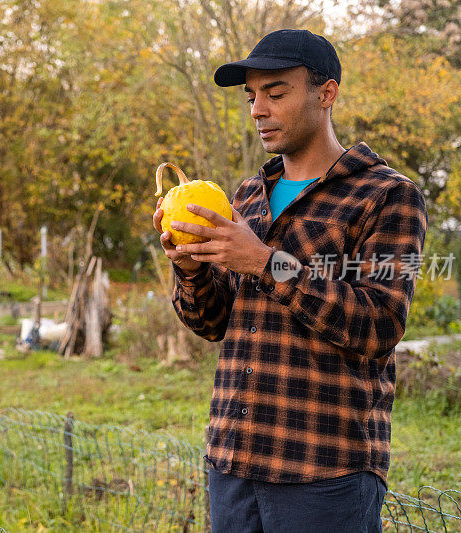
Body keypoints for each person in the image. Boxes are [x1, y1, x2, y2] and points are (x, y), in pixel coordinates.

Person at [152, 29, 428, 532]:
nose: (259, 109)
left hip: (323, 471)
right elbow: (214, 323)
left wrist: (264, 261)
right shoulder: (248, 196)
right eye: (252, 96)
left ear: (327, 94)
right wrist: (189, 269)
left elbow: (380, 323)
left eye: (276, 93)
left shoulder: (386, 195)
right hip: (232, 461)